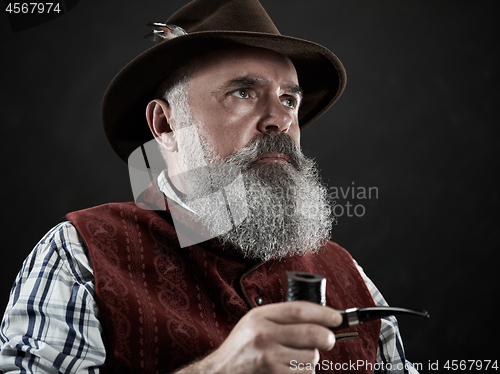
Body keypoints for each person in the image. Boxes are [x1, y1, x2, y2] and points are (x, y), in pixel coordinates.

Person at [0, 0, 419, 373]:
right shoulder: (80, 253)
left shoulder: (346, 272)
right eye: (243, 92)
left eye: (289, 99)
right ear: (165, 124)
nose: (281, 119)